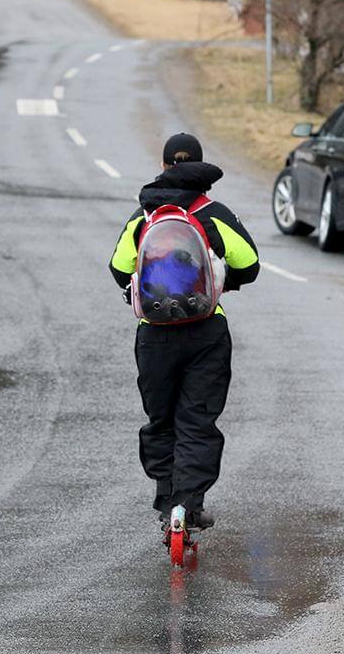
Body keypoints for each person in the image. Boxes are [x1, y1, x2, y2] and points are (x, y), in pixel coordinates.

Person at [109, 133, 260, 530]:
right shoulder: (214, 213)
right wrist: (218, 280)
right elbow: (250, 264)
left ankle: (165, 500)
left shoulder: (144, 216)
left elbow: (119, 266)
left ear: (163, 166)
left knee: (162, 418)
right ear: (199, 164)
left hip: (154, 333)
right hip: (206, 330)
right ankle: (189, 506)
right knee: (197, 419)